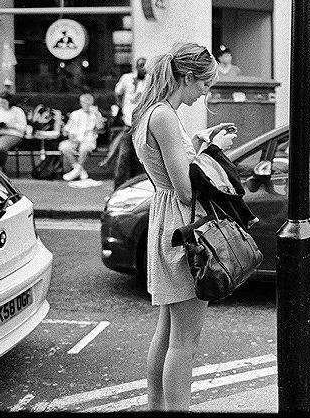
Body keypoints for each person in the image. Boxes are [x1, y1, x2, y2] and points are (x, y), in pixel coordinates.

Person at [130, 42, 238, 412]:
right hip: (183, 226)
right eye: (205, 84)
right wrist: (213, 151)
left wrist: (197, 143)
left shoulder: (151, 112)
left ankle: (156, 407)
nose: (206, 92)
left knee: (167, 331)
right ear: (187, 77)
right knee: (185, 340)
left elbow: (172, 161)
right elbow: (187, 190)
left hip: (168, 221)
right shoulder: (164, 116)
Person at [111, 56, 148, 189]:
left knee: (141, 159)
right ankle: (118, 189)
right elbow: (117, 92)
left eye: (145, 66)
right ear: (136, 67)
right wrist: (121, 108)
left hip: (142, 126)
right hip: (128, 125)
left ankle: (138, 188)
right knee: (123, 158)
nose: (143, 68)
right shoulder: (126, 78)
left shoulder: (149, 81)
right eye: (140, 65)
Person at [59, 93, 105, 181]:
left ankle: (76, 171)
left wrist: (97, 114)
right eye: (84, 102)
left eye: (88, 102)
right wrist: (71, 137)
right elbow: (67, 129)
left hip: (89, 140)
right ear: (81, 103)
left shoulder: (96, 114)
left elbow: (100, 128)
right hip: (75, 139)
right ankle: (79, 171)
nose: (86, 104)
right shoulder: (75, 114)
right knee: (64, 147)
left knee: (84, 149)